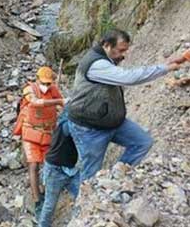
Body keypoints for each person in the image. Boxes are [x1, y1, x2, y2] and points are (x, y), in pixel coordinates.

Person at [67, 29, 185, 180]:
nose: (124, 54)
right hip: (90, 128)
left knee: (142, 142)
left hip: (112, 121)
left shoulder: (107, 59)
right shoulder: (96, 64)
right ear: (107, 45)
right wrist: (164, 68)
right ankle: (87, 200)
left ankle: (116, 178)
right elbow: (128, 77)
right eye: (121, 50)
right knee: (91, 174)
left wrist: (165, 64)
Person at [13, 66, 65, 209]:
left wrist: (63, 105)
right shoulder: (29, 90)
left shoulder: (53, 90)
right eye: (44, 83)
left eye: (49, 83)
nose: (46, 86)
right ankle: (36, 199)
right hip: (31, 132)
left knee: (49, 163)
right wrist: (58, 102)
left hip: (48, 133)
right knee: (34, 164)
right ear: (37, 79)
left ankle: (49, 189)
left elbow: (62, 104)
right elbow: (35, 102)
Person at [38, 116, 80, 227]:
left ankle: (81, 220)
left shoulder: (68, 122)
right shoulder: (67, 125)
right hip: (54, 170)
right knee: (49, 205)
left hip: (70, 169)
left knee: (83, 194)